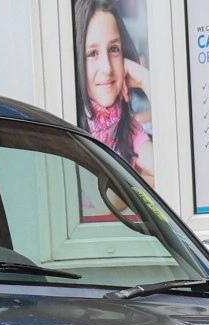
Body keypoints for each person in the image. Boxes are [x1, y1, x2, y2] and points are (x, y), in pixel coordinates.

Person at [75, 0, 155, 186]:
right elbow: (105, 197)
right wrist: (145, 181)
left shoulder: (126, 126)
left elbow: (172, 168)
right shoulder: (72, 120)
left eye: (113, 49)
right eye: (93, 53)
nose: (107, 68)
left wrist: (144, 79)